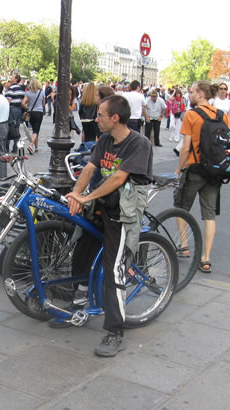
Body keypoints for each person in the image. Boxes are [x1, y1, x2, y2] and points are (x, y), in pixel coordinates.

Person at [63, 95, 153, 357]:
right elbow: (90, 169)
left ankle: (115, 331)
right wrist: (75, 195)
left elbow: (118, 178)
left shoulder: (139, 143)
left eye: (101, 114)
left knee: (113, 270)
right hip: (100, 206)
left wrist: (86, 197)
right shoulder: (104, 140)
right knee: (82, 246)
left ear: (115, 118)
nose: (96, 118)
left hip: (121, 213)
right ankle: (79, 297)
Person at [176, 81, 230, 274]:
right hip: (215, 171)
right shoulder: (222, 115)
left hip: (194, 168)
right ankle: (205, 258)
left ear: (200, 94)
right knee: (209, 215)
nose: (189, 95)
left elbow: (186, 147)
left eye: (191, 92)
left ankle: (184, 245)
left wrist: (177, 170)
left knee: (181, 208)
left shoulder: (191, 114)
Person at [22, 78, 45, 154]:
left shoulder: (28, 93)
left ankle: (36, 147)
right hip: (39, 112)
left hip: (31, 112)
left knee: (35, 129)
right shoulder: (42, 92)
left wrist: (28, 108)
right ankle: (31, 145)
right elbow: (44, 104)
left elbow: (23, 103)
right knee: (36, 130)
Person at [5, 73, 25, 153]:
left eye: (12, 76)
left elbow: (8, 100)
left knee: (9, 128)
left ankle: (6, 148)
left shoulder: (11, 88)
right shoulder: (20, 88)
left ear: (16, 79)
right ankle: (15, 148)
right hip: (18, 109)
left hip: (11, 109)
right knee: (16, 128)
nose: (11, 77)